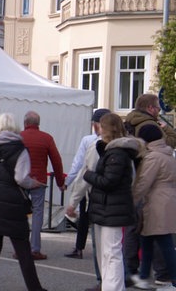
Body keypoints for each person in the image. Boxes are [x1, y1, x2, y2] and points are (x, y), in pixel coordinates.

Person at [0, 113, 47, 291]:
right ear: (16, 127)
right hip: (12, 204)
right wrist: (34, 183)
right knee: (23, 250)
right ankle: (35, 288)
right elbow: (21, 179)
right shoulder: (20, 149)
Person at [83, 113, 144, 291]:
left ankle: (114, 288)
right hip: (110, 207)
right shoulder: (113, 151)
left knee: (112, 253)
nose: (98, 129)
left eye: (101, 126)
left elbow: (109, 182)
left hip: (113, 209)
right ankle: (111, 287)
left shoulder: (117, 153)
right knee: (109, 253)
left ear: (107, 129)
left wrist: (89, 174)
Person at [124, 94, 174, 286]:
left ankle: (134, 271)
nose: (159, 111)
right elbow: (171, 142)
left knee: (139, 232)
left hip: (136, 179)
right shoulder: (152, 130)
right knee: (160, 236)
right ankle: (164, 274)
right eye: (157, 108)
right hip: (152, 192)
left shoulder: (129, 121)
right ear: (151, 108)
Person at [130, 124, 176, 290]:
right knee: (147, 240)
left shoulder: (153, 157)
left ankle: (174, 280)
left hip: (156, 203)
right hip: (166, 201)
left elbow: (143, 183)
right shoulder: (168, 153)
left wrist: (132, 201)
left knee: (164, 244)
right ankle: (143, 277)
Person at [64, 108, 110, 259]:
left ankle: (79, 247)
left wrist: (67, 182)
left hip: (91, 184)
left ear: (96, 124)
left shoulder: (89, 141)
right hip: (108, 189)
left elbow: (80, 165)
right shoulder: (122, 142)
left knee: (84, 216)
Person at [20, 111, 65, 260]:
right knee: (37, 213)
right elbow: (56, 161)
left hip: (21, 180)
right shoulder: (46, 138)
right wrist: (60, 182)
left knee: (20, 214)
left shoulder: (19, 137)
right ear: (38, 124)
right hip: (39, 181)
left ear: (25, 123)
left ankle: (21, 248)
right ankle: (35, 249)